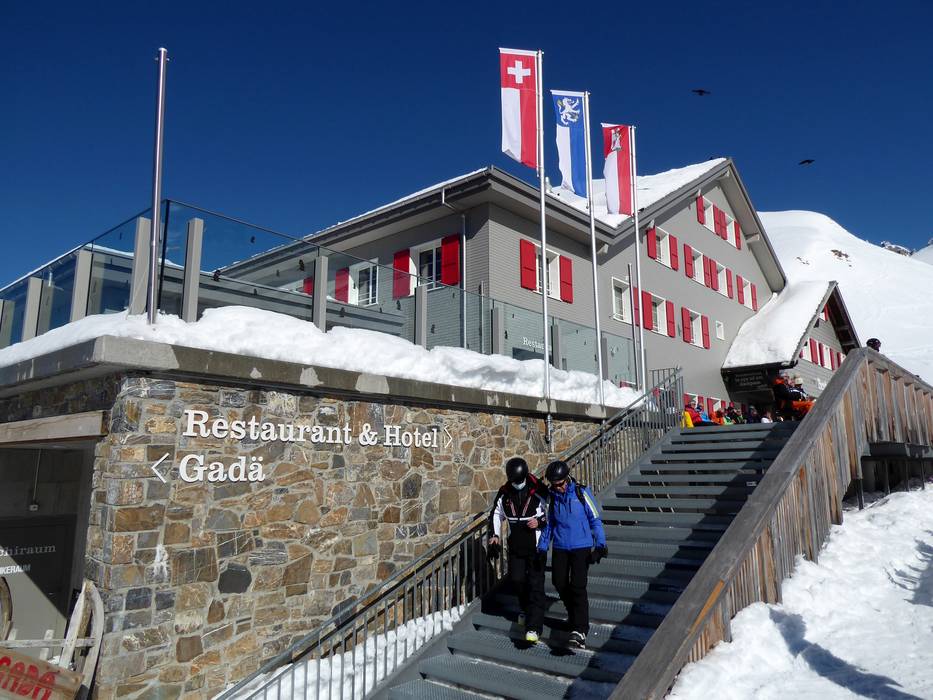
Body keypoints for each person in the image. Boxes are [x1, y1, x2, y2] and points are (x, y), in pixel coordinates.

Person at [536, 460, 607, 649]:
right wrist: (542, 548)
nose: (558, 487)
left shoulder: (581, 493)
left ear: (567, 478)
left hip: (581, 546)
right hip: (560, 546)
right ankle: (574, 615)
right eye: (554, 485)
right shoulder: (552, 498)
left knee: (578, 586)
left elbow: (595, 520)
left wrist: (600, 545)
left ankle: (580, 630)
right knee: (559, 582)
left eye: (560, 484)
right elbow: (549, 525)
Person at [487, 457, 548, 643]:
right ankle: (525, 608)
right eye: (515, 481)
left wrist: (540, 521)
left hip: (536, 545)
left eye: (520, 481)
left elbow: (552, 512)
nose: (518, 484)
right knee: (517, 580)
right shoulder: (505, 492)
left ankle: (534, 627)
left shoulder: (539, 489)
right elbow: (496, 513)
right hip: (516, 544)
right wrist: (495, 535)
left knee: (535, 585)